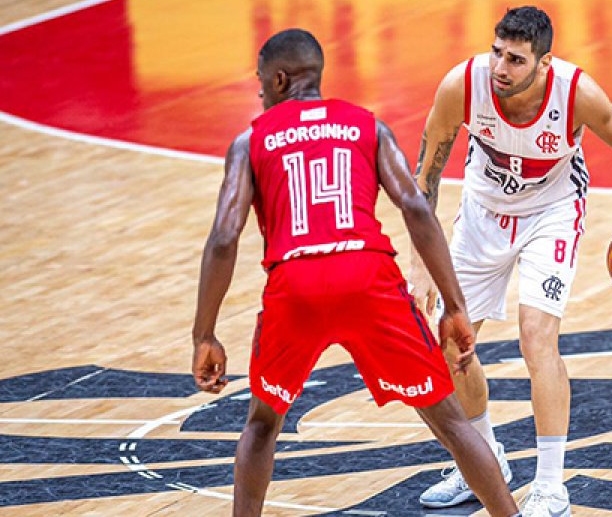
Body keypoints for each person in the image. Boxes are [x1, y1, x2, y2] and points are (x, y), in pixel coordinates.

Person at [190, 28, 519, 517]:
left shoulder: (250, 141)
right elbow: (414, 205)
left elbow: (222, 238)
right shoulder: (367, 126)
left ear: (279, 79)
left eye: (261, 86)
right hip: (369, 278)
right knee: (450, 420)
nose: (259, 96)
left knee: (262, 424)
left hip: (295, 286)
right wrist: (454, 305)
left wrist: (205, 333)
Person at [409, 6, 612, 515]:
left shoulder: (575, 91)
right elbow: (425, 175)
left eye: (515, 59)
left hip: (552, 212)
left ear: (544, 63)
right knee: (449, 339)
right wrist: (421, 261)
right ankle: (484, 460)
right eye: (496, 53)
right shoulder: (462, 85)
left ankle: (552, 485)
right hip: (483, 210)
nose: (500, 67)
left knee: (537, 337)